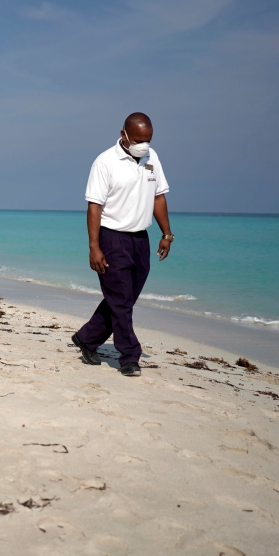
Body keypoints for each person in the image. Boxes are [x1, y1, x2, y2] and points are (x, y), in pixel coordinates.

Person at [71, 112, 173, 377]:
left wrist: (167, 233)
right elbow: (94, 206)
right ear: (124, 135)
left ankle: (87, 338)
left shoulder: (153, 158)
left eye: (148, 140)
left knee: (122, 299)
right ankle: (129, 356)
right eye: (139, 140)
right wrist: (94, 246)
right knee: (121, 300)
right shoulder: (105, 162)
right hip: (112, 237)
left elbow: (158, 197)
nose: (144, 145)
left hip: (141, 239)